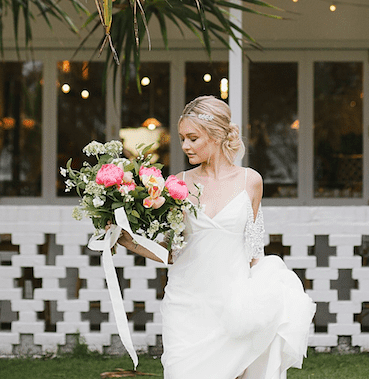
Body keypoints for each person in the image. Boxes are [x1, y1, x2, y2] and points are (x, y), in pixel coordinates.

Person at [117, 95, 314, 379]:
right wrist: (128, 241)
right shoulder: (179, 183)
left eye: (193, 138)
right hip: (185, 303)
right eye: (182, 138)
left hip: (231, 303)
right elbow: (173, 251)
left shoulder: (251, 181)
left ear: (217, 135)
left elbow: (253, 251)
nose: (184, 145)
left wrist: (257, 302)